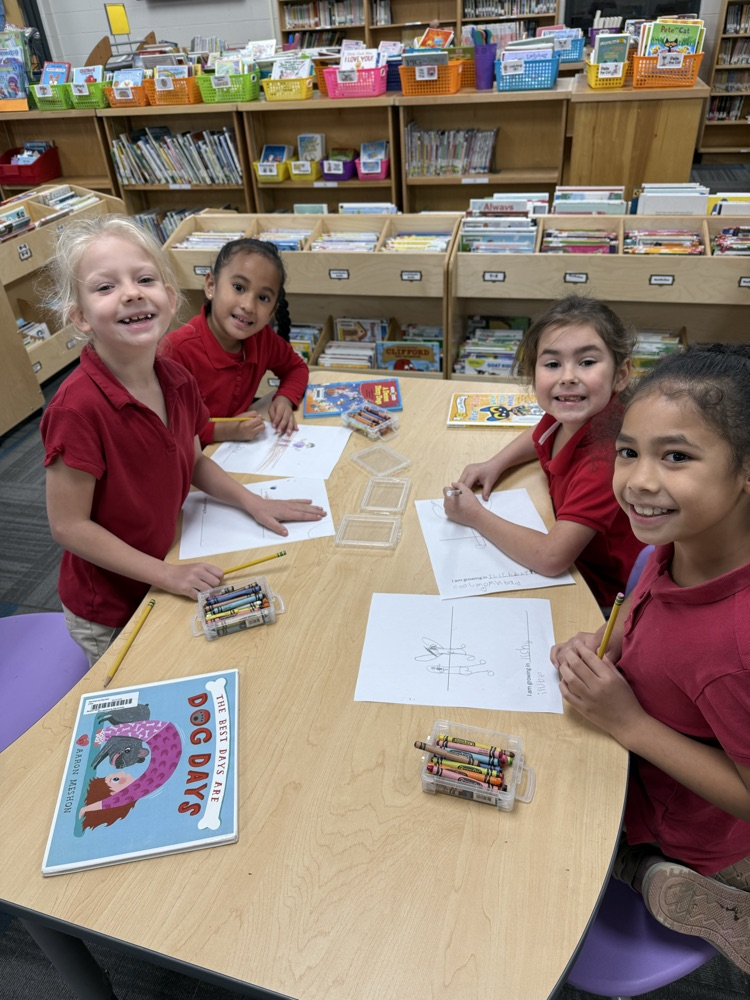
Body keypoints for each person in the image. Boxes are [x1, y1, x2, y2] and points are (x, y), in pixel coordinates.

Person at [40, 216, 325, 665]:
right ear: (79, 317)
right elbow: (69, 527)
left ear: (170, 298)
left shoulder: (174, 377)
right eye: (105, 287)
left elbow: (194, 461)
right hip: (111, 606)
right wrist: (166, 575)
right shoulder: (76, 409)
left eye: (145, 279)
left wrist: (253, 502)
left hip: (168, 563)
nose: (131, 293)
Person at [553, 344, 750, 973]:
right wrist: (604, 643)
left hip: (680, 819)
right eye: (628, 452)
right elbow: (645, 612)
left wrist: (628, 722)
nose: (638, 480)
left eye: (676, 456)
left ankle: (691, 881)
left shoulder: (734, 645)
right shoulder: (678, 542)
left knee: (542, 840)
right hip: (640, 767)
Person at [444, 295, 643, 609]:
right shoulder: (568, 414)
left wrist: (474, 515)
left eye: (587, 362)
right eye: (552, 364)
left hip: (598, 592)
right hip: (573, 555)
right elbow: (539, 436)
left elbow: (551, 558)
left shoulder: (606, 462)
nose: (568, 377)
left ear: (621, 374)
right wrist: (495, 463)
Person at [163, 237, 308, 447]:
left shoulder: (262, 338)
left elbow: (296, 368)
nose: (248, 306)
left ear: (272, 312)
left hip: (234, 453)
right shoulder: (175, 351)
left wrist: (284, 398)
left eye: (263, 298)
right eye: (239, 287)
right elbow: (166, 428)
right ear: (211, 286)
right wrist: (224, 431)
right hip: (190, 460)